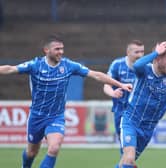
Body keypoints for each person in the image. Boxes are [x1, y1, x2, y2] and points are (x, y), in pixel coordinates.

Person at [0, 35, 132, 168]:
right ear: (46, 50)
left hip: (56, 116)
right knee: (31, 152)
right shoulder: (35, 65)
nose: (61, 52)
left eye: (62, 49)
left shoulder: (68, 65)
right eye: (57, 49)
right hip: (36, 116)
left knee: (54, 148)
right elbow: (10, 68)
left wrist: (120, 84)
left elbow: (96, 74)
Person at [115, 41, 166, 168]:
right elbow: (137, 65)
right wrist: (155, 52)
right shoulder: (145, 70)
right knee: (129, 159)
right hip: (131, 122)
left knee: (126, 163)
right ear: (158, 58)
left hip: (148, 129)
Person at [103, 40, 144, 138]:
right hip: (121, 110)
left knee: (133, 142)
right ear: (128, 52)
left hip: (138, 111)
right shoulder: (117, 65)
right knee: (124, 141)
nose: (140, 55)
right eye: (136, 52)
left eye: (142, 52)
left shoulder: (146, 66)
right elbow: (106, 85)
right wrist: (113, 93)